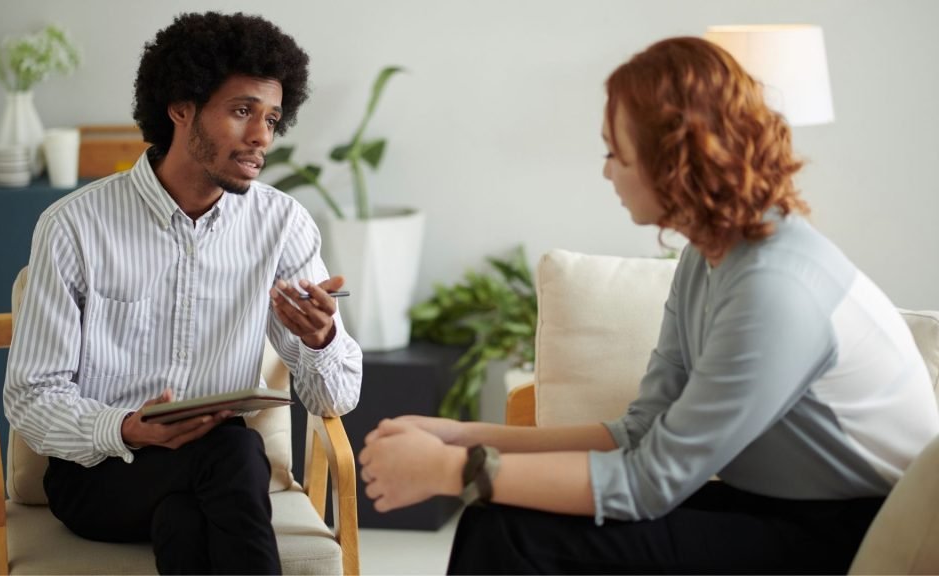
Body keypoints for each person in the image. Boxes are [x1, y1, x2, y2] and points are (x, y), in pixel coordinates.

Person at [358, 36, 939, 574]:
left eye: (618, 154)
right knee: (500, 520)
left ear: (675, 165)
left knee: (515, 535)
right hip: (782, 505)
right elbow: (639, 431)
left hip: (858, 532)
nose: (607, 171)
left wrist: (453, 471)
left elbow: (646, 483)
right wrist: (460, 438)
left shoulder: (777, 287)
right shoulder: (707, 256)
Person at [4, 12, 362, 574]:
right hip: (102, 475)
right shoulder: (75, 226)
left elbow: (334, 399)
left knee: (186, 519)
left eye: (271, 118)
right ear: (181, 108)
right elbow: (29, 398)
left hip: (213, 480)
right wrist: (124, 427)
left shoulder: (281, 225)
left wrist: (321, 339)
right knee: (237, 451)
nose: (261, 136)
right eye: (242, 111)